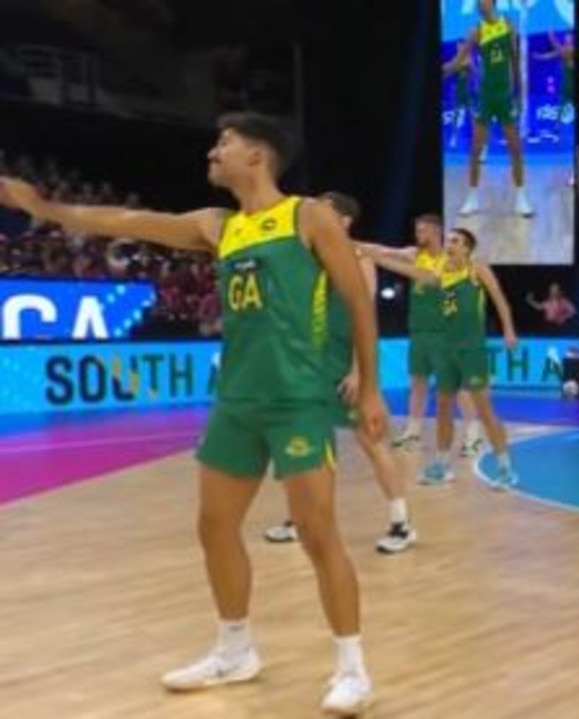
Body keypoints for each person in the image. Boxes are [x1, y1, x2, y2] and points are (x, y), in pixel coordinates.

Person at [0, 112, 387, 712]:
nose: (213, 151)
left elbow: (358, 300)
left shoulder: (307, 216)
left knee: (317, 533)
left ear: (257, 156)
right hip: (236, 400)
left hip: (297, 399)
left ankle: (352, 668)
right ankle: (236, 650)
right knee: (213, 526)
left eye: (224, 143)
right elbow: (129, 220)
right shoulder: (217, 226)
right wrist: (47, 210)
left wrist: (369, 388)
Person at [262, 191, 417, 555]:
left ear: (344, 221)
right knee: (302, 443)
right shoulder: (308, 255)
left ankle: (401, 523)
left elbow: (365, 316)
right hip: (310, 363)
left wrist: (359, 371)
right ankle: (300, 519)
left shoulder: (359, 259)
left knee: (370, 441)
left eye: (325, 210)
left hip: (345, 363)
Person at [365, 228, 520, 489]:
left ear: (468, 248)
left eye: (456, 241)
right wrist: (377, 258)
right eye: (449, 240)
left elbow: (500, 299)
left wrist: (508, 329)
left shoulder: (476, 269)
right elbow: (413, 272)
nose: (450, 244)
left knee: (484, 408)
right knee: (444, 406)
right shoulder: (440, 273)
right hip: (446, 348)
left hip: (470, 348)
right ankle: (442, 465)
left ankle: (506, 468)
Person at [388, 214, 484, 460]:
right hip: (419, 331)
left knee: (454, 391)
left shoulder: (450, 260)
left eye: (422, 230)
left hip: (445, 333)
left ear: (435, 232)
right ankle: (413, 432)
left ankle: (473, 435)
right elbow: (383, 250)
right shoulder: (413, 252)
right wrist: (353, 244)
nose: (417, 234)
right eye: (416, 229)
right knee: (417, 383)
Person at [457, 0, 534, 218]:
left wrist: (518, 92)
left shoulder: (508, 25)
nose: (480, 6)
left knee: (516, 149)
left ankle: (521, 198)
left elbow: (515, 60)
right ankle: (472, 199)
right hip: (485, 97)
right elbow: (459, 59)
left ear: (492, 3)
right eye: (478, 4)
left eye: (483, 2)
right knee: (475, 150)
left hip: (505, 98)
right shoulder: (476, 31)